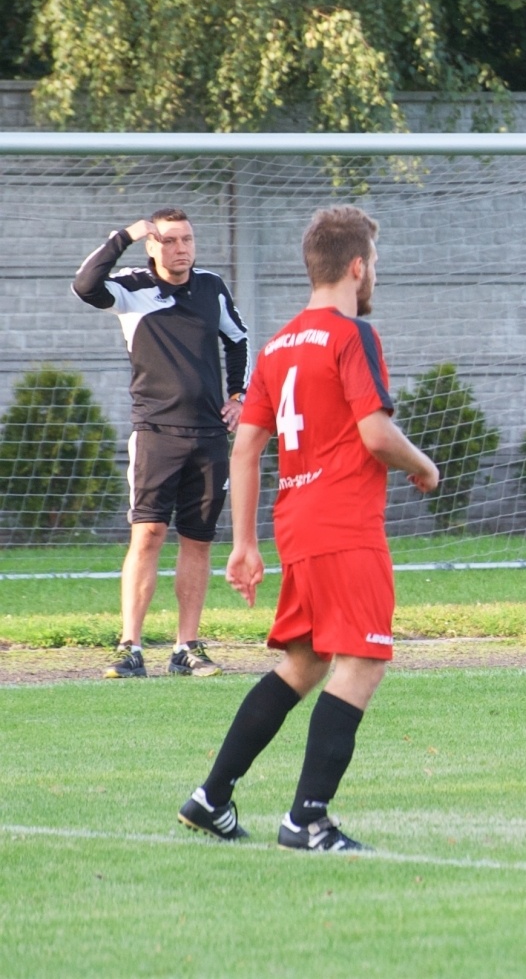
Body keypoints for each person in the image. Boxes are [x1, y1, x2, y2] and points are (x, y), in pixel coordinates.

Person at [177, 206, 439, 851]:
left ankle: (211, 797)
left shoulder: (279, 344)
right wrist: (424, 465)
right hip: (345, 524)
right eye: (372, 263)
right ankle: (307, 819)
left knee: (305, 661)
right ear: (357, 266)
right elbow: (376, 435)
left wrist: (243, 543)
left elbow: (245, 446)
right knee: (362, 662)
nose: (372, 273)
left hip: (296, 524)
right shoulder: (353, 337)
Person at [73, 208, 250, 679]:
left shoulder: (211, 286)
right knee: (148, 534)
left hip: (210, 437)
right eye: (170, 241)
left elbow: (238, 339)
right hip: (155, 433)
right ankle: (130, 647)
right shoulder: (131, 288)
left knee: (198, 540)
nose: (182, 249)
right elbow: (85, 284)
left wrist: (238, 395)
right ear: (152, 246)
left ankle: (185, 649)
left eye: (187, 239)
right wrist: (125, 235)